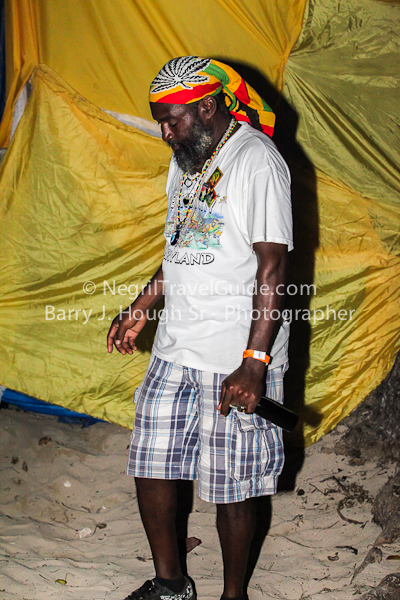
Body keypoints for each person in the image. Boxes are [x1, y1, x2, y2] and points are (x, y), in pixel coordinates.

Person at [107, 56, 293, 600]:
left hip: (234, 357)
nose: (165, 133)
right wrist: (142, 306)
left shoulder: (257, 161)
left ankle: (233, 595)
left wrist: (254, 363)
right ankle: (171, 585)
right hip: (176, 348)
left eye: (172, 120)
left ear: (207, 106)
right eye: (161, 122)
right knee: (152, 462)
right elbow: (182, 245)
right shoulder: (187, 159)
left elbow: (273, 267)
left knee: (234, 487)